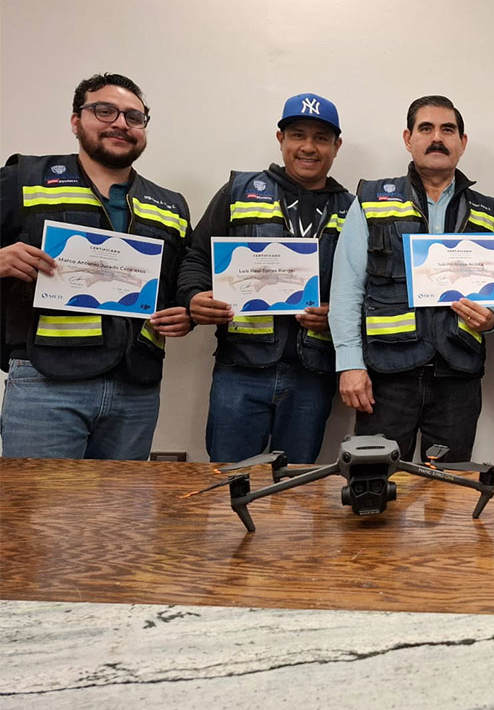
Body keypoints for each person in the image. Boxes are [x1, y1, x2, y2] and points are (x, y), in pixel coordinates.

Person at [0, 72, 192, 459]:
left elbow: (179, 284)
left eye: (133, 117)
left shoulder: (171, 205)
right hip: (45, 382)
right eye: (105, 111)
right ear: (76, 121)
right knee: (37, 501)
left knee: (121, 501)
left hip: (136, 389)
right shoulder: (23, 178)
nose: (120, 123)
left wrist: (185, 314)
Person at [177, 94, 354, 464]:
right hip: (240, 368)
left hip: (313, 373)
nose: (309, 147)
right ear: (280, 138)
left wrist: (337, 314)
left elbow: (362, 285)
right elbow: (196, 256)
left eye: (321, 138)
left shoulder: (352, 209)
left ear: (337, 146)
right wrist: (193, 296)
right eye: (298, 135)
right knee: (230, 478)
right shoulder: (238, 192)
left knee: (295, 484)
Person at [331, 96, 494, 463]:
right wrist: (350, 364)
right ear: (408, 139)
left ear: (462, 142)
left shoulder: (489, 210)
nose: (437, 138)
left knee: (451, 485)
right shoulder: (371, 200)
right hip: (387, 376)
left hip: (458, 377)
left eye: (448, 130)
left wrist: (493, 318)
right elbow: (347, 289)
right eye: (426, 129)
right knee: (376, 481)